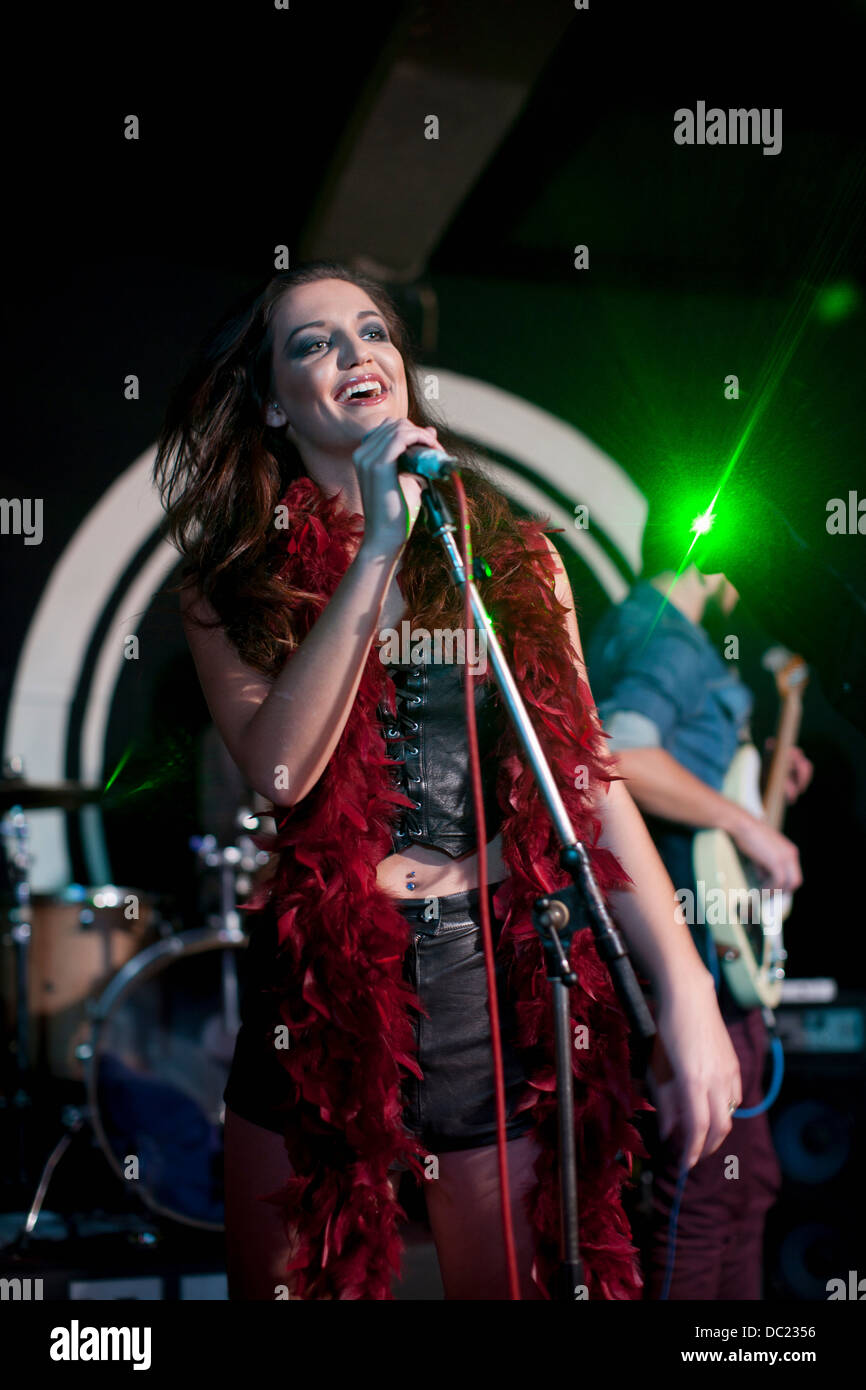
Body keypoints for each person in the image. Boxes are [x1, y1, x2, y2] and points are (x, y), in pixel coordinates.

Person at [154, 261, 741, 1301]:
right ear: (275, 405)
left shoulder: (511, 559)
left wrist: (684, 984)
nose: (353, 353)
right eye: (312, 343)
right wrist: (379, 542)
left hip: (489, 990)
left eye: (370, 332)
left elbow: (586, 785)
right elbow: (282, 769)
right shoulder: (228, 582)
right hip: (321, 993)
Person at [588, 510, 813, 1300]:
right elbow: (619, 751)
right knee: (707, 1190)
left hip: (689, 947)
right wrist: (749, 823)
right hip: (694, 958)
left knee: (743, 1182)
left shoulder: (628, 627)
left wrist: (744, 784)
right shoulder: (670, 638)